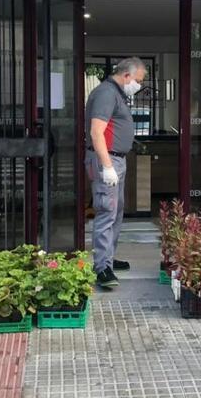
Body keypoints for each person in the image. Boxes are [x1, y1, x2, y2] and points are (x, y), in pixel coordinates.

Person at [85, 57, 147, 288]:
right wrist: (108, 166)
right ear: (127, 75)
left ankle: (107, 258)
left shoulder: (116, 94)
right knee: (106, 211)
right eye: (138, 80)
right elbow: (96, 132)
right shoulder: (106, 93)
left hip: (116, 160)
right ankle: (102, 269)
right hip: (106, 161)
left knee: (116, 212)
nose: (139, 86)